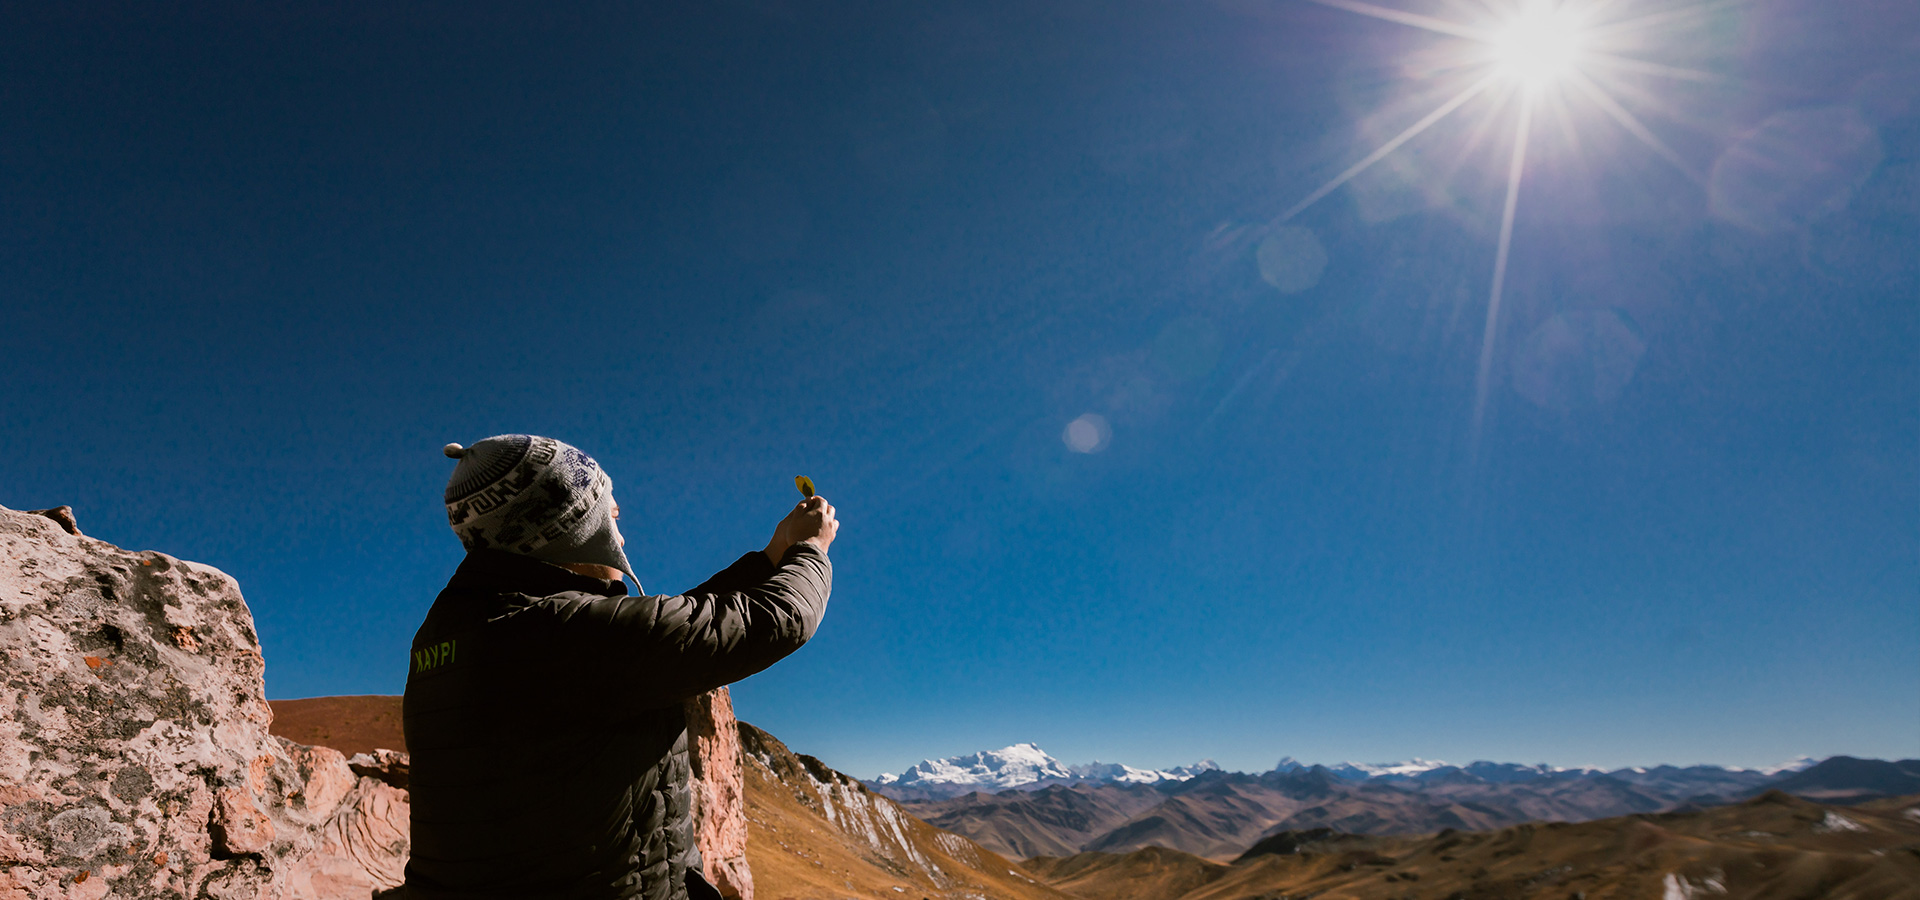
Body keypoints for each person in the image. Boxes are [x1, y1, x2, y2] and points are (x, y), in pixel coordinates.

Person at [400, 434, 836, 900]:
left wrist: (772, 555)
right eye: (610, 517)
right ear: (569, 528)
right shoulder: (567, 635)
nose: (622, 537)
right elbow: (779, 620)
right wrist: (810, 549)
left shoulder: (460, 627)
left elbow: (668, 625)